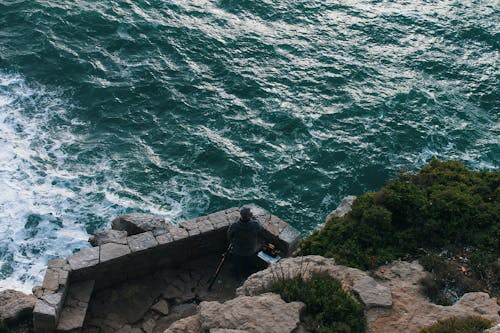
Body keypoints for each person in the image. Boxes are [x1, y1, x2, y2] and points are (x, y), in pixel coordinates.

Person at [227, 206, 264, 281]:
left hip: (238, 250)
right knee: (249, 261)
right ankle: (247, 273)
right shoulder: (255, 224)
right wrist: (253, 218)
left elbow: (229, 236)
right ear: (250, 215)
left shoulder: (234, 226)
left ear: (241, 215)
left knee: (237, 262)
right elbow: (260, 229)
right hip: (250, 250)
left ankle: (237, 274)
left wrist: (234, 242)